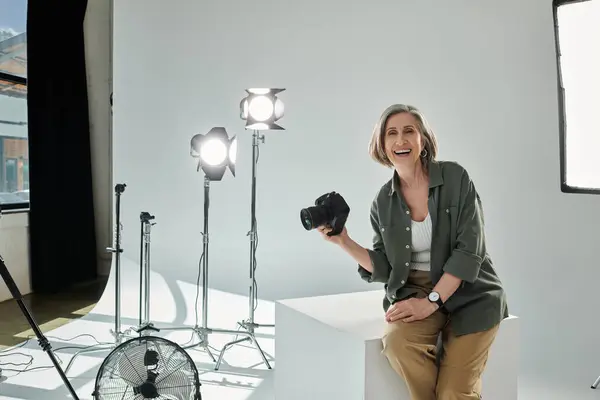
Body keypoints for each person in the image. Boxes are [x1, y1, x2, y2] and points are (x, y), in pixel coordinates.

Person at [317, 104, 509, 400]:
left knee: (453, 392)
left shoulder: (456, 178)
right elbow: (384, 266)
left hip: (472, 294)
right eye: (391, 133)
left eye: (409, 131)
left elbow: (470, 250)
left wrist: (432, 301)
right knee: (397, 345)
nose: (400, 140)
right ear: (382, 145)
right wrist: (344, 240)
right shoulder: (382, 202)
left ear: (423, 140)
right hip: (414, 290)